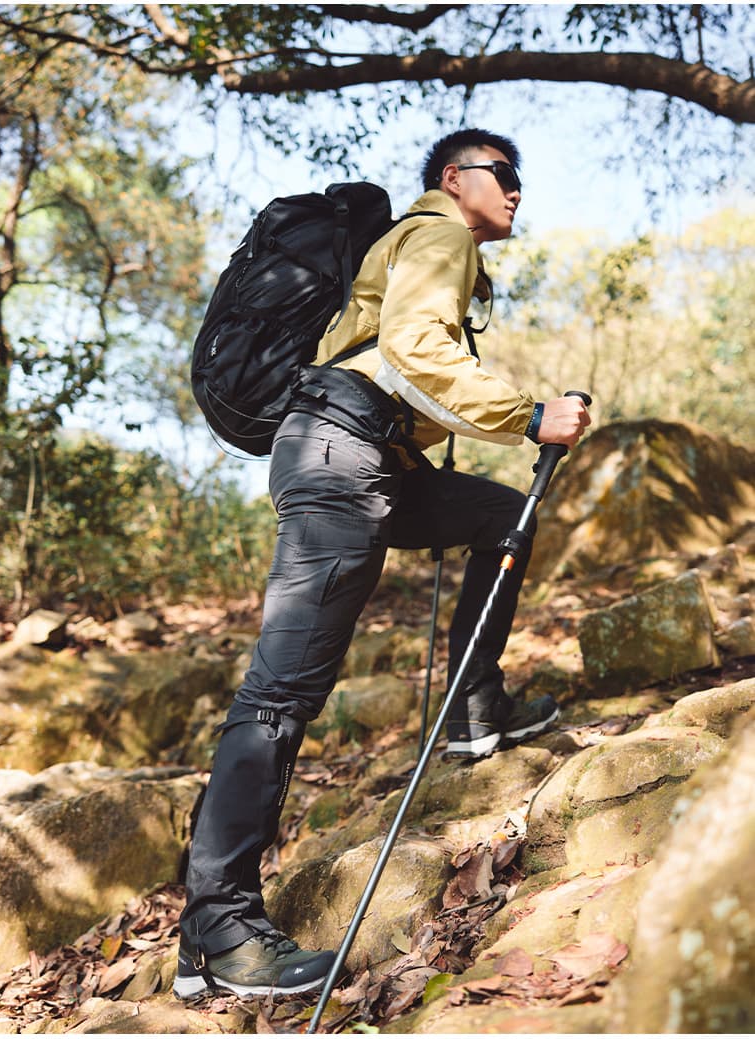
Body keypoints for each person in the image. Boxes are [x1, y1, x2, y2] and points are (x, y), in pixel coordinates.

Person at [173, 128, 591, 1001]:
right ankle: (217, 929)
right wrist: (528, 416)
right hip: (341, 456)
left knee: (503, 516)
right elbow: (414, 350)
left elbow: (407, 369)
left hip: (366, 458)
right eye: (503, 174)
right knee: (279, 693)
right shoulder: (436, 232)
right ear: (454, 178)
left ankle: (478, 707)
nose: (517, 192)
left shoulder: (436, 251)